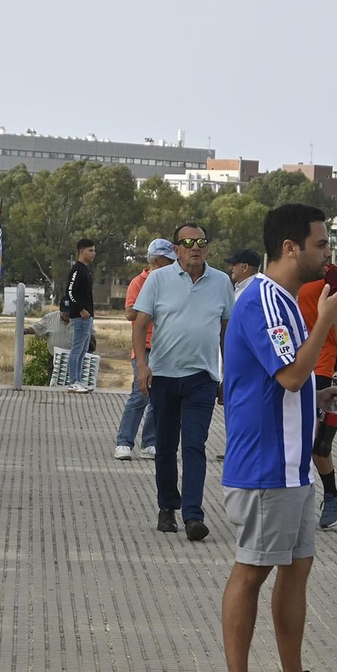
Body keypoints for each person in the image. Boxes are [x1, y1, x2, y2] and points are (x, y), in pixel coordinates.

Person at [214, 204, 337, 672]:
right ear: (289, 247)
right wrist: (328, 320)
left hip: (293, 468)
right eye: (320, 244)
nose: (327, 254)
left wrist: (327, 391)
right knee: (252, 570)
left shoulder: (287, 303)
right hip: (265, 468)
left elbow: (289, 382)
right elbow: (291, 374)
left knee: (296, 570)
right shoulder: (264, 300)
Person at [130, 223, 233, 541]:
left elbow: (227, 332)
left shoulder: (221, 282)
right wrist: (142, 367)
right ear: (176, 249)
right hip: (162, 376)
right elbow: (139, 324)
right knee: (164, 446)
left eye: (201, 241)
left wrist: (227, 376)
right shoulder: (158, 280)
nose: (195, 247)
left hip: (202, 378)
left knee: (194, 446)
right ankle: (166, 508)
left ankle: (193, 515)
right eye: (187, 242)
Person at [297, 270, 337, 530]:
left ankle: (331, 495)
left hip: (324, 367)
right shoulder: (285, 278)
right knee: (300, 442)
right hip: (296, 362)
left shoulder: (328, 276)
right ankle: (299, 500)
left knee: (319, 444)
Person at [114, 238, 174, 460]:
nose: (172, 265)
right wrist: (149, 306)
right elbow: (130, 313)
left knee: (159, 397)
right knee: (140, 394)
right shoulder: (139, 282)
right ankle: (124, 442)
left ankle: (150, 441)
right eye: (169, 261)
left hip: (166, 346)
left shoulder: (172, 282)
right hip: (145, 347)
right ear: (157, 261)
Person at [61, 238, 97, 393]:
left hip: (88, 316)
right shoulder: (77, 270)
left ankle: (79, 380)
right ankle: (73, 381)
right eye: (90, 250)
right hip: (80, 316)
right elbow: (70, 292)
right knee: (77, 349)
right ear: (81, 251)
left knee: (83, 350)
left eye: (94, 250)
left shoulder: (87, 270)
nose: (93, 253)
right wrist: (80, 309)